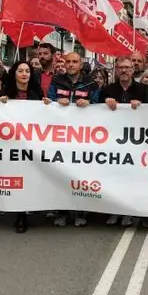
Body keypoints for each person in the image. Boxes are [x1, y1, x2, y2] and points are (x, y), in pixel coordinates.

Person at [45, 51, 99, 227]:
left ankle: (80, 212)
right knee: (62, 174)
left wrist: (90, 104)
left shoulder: (91, 84)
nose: (70, 64)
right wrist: (54, 102)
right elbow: (48, 101)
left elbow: (100, 105)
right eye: (68, 61)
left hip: (84, 138)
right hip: (61, 138)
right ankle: (61, 211)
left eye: (74, 61)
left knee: (81, 175)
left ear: (81, 64)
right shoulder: (57, 81)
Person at [103, 57, 148, 227]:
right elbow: (94, 110)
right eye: (121, 68)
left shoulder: (143, 89)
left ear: (133, 70)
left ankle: (129, 212)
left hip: (136, 143)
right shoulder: (107, 89)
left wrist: (142, 105)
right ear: (116, 70)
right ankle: (113, 211)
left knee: (131, 179)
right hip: (112, 142)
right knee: (114, 178)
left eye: (127, 67)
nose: (124, 70)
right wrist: (104, 103)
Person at [0, 60, 44, 233]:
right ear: (15, 74)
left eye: (27, 71)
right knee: (16, 177)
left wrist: (46, 104)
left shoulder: (36, 92)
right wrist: (0, 102)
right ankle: (19, 214)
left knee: (28, 177)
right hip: (11, 143)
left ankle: (24, 212)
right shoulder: (6, 92)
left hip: (30, 142)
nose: (24, 74)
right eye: (21, 71)